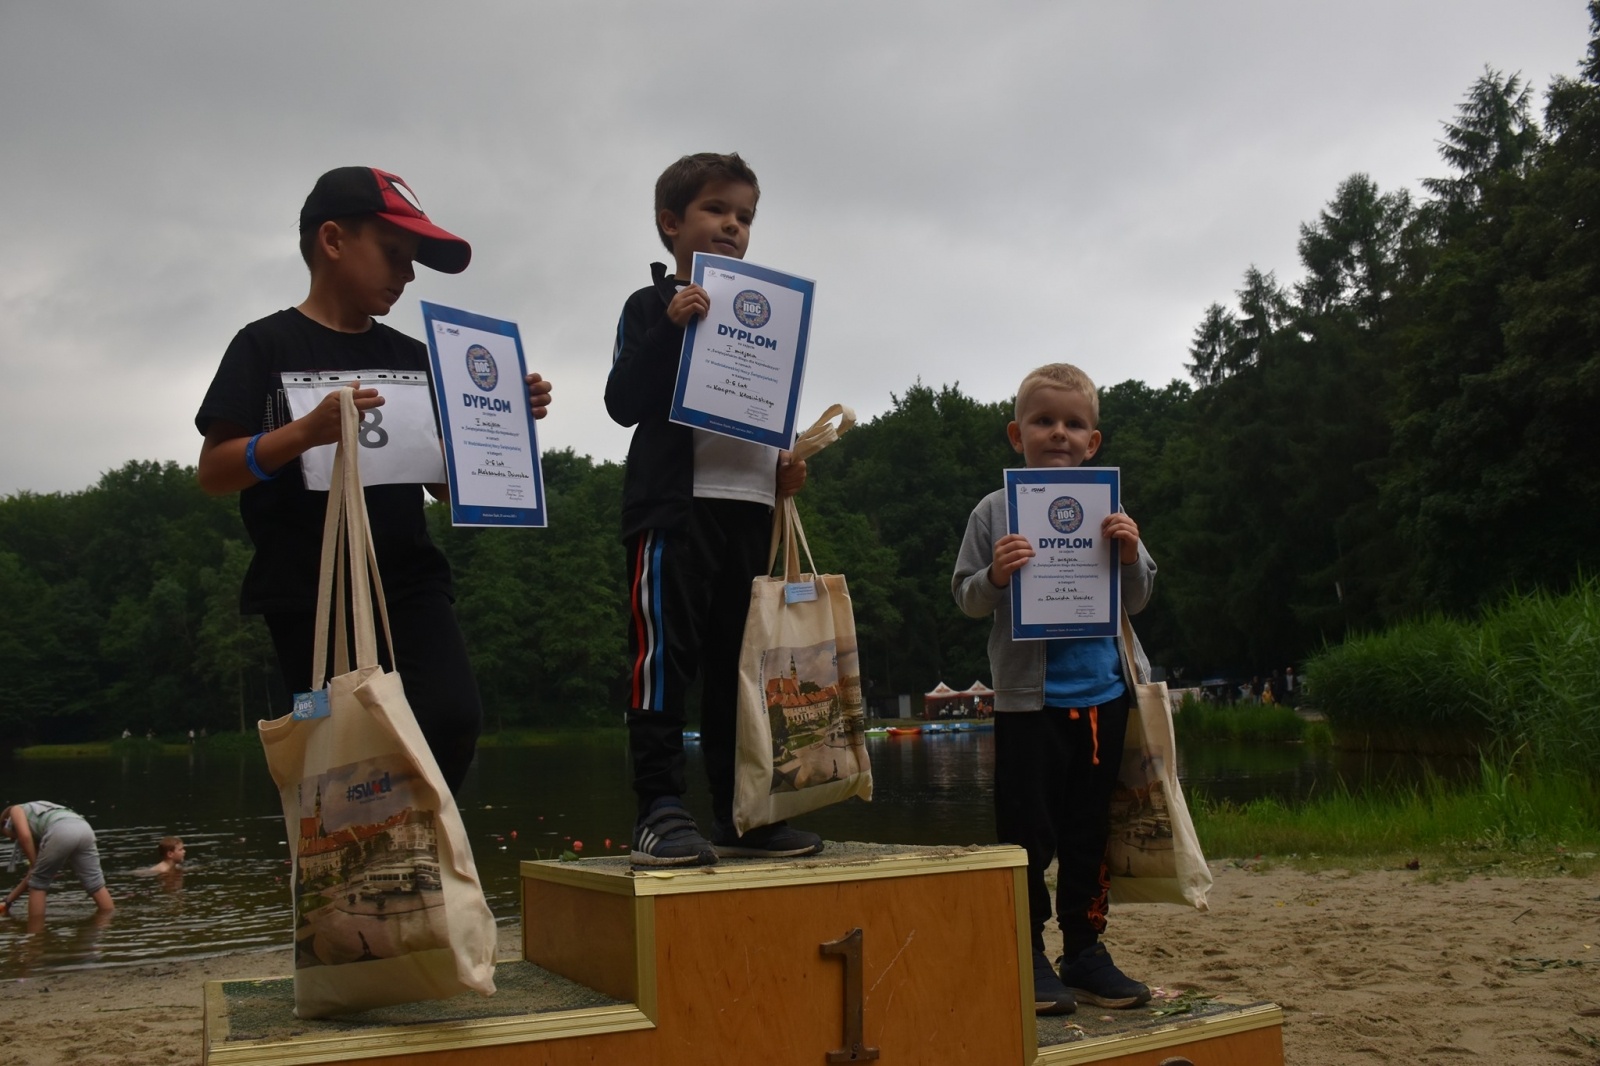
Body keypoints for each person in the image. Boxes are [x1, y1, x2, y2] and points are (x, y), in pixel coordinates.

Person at [195, 167, 553, 794]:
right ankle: (354, 883)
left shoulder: (415, 357)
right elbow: (215, 471)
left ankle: (425, 867)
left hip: (407, 581)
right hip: (307, 592)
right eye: (394, 254)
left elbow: (446, 489)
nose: (407, 275)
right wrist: (305, 433)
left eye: (412, 260)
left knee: (451, 715)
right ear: (332, 240)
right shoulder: (264, 346)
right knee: (334, 754)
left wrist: (497, 422)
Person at [605, 152, 818, 867]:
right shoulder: (648, 306)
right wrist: (670, 325)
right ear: (671, 224)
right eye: (716, 210)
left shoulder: (770, 316)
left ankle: (743, 812)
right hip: (674, 510)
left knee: (742, 668)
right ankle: (659, 809)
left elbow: (760, 414)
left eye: (745, 216)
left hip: (749, 510)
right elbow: (621, 403)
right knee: (664, 659)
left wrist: (783, 468)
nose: (733, 225)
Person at [952, 363, 1158, 1016]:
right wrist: (997, 575)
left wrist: (1129, 553)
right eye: (1044, 421)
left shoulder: (1110, 508)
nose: (1059, 433)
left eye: (1074, 424)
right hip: (1027, 705)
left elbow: (1140, 596)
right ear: (1018, 434)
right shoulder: (993, 510)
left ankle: (1085, 949)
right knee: (1025, 835)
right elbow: (965, 597)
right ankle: (1028, 952)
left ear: (1093, 442)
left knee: (1087, 834)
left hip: (1102, 699)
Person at [1, 802, 115, 918]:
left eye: (8, 836)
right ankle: (107, 927)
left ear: (6, 823)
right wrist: (7, 901)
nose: (12, 839)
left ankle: (36, 934)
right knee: (95, 883)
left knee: (38, 885)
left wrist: (35, 865)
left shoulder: (15, 810)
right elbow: (31, 875)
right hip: (85, 828)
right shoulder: (39, 818)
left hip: (60, 829)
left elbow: (24, 836)